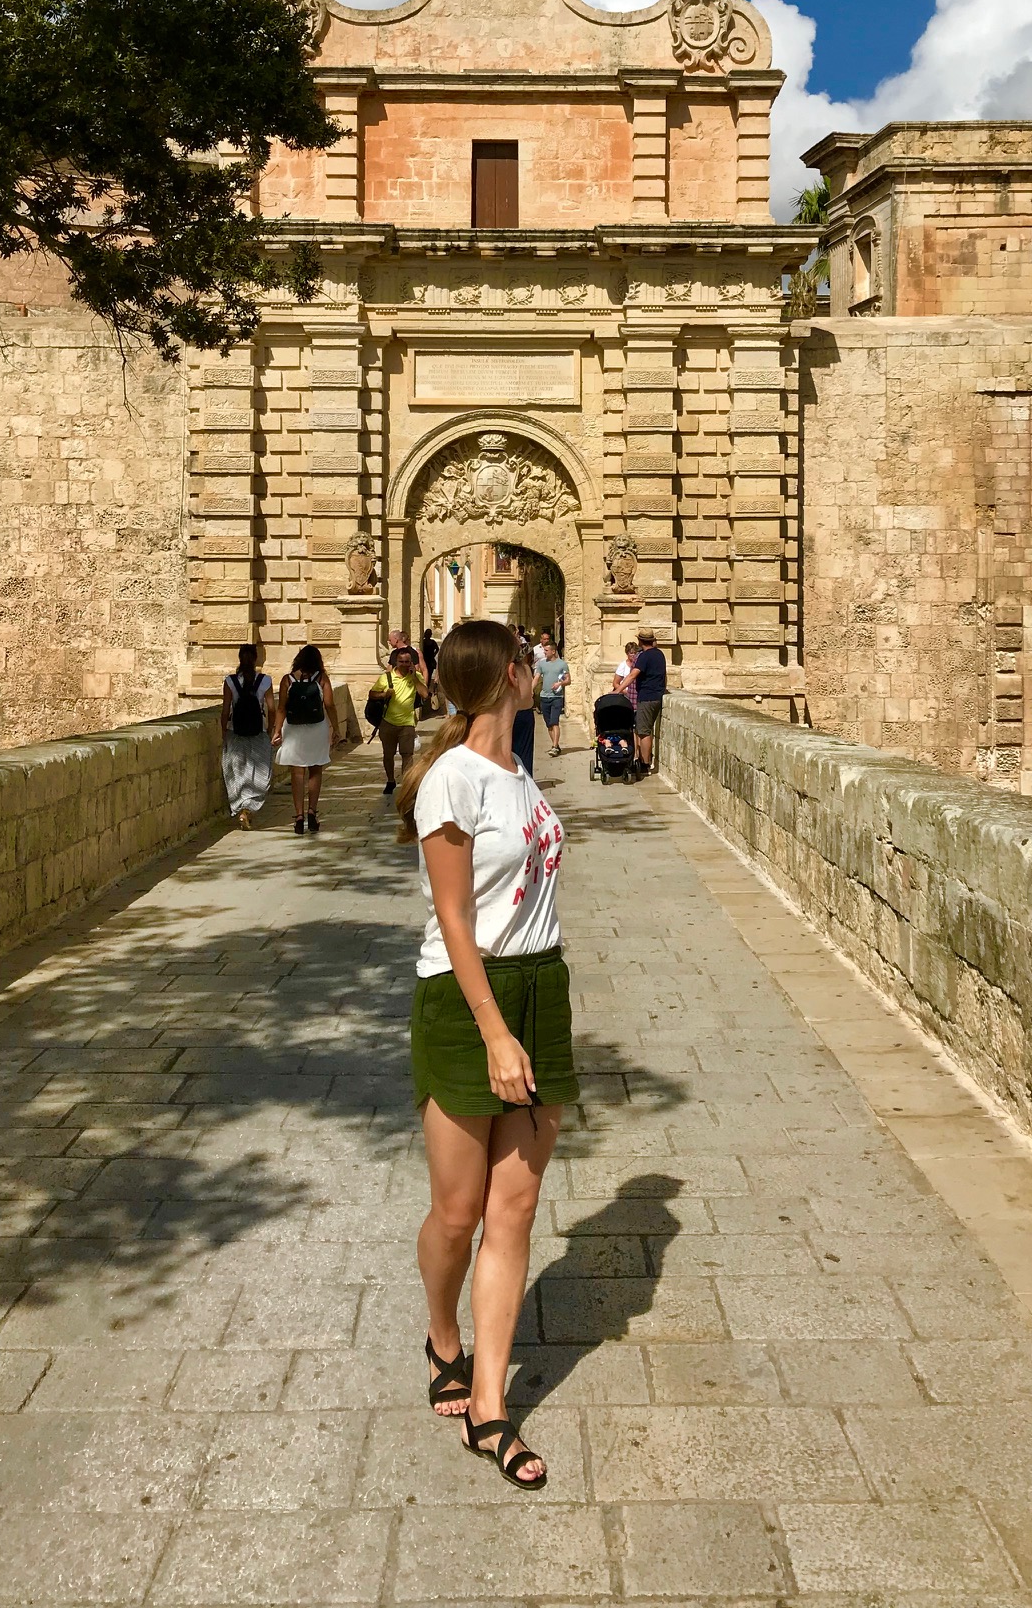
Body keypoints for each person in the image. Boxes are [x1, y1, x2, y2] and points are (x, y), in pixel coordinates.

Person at [397, 619, 577, 1490]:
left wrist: (529, 1020)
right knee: (459, 1215)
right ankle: (442, 1335)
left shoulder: (520, 779)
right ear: (513, 672)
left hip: (539, 994)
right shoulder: (450, 781)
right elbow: (455, 921)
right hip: (466, 1003)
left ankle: (491, 1408)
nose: (539, 671)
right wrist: (494, 1031)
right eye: (532, 663)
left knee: (514, 1213)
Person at [271, 643, 337, 836]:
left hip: (294, 729)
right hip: (317, 728)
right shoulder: (321, 678)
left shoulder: (287, 680)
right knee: (315, 770)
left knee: (297, 773)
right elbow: (330, 704)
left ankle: (298, 816)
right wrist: (336, 728)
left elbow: (281, 707)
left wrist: (277, 731)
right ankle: (312, 812)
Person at [220, 643, 273, 828]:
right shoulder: (265, 681)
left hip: (236, 731)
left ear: (239, 659)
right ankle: (248, 809)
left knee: (237, 770)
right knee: (261, 771)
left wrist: (223, 730)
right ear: (256, 659)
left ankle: (241, 807)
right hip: (259, 732)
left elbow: (226, 708)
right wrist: (271, 728)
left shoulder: (230, 681)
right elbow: (271, 708)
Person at [373, 644, 422, 793]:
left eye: (408, 662)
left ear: (411, 663)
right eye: (402, 662)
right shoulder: (386, 678)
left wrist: (414, 678)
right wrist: (383, 695)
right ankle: (390, 780)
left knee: (407, 755)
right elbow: (372, 694)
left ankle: (406, 784)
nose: (405, 665)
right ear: (396, 662)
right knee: (388, 754)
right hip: (388, 723)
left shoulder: (416, 677)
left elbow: (425, 694)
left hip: (407, 724)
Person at [628, 627, 667, 777]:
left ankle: (645, 764)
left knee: (644, 731)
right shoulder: (660, 654)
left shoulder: (644, 656)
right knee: (645, 729)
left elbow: (633, 675)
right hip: (657, 695)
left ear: (640, 641)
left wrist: (618, 690)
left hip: (647, 697)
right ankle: (644, 761)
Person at [535, 636, 571, 757]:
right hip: (544, 697)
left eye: (546, 651)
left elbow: (568, 680)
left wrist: (560, 683)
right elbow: (536, 678)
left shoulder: (562, 665)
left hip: (557, 697)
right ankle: (556, 745)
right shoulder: (541, 664)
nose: (544, 653)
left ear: (553, 651)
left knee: (555, 722)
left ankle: (554, 746)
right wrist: (530, 689)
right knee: (549, 724)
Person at [613, 639, 639, 711]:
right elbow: (615, 683)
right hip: (625, 696)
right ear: (627, 653)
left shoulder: (639, 664)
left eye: (635, 653)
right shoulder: (623, 666)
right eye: (631, 653)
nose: (633, 655)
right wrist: (625, 691)